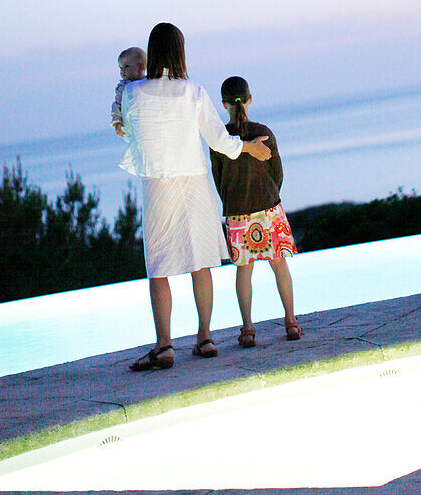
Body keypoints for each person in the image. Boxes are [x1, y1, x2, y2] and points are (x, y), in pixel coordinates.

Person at [121, 23, 271, 371]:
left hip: (158, 185)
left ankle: (165, 346)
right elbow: (218, 140)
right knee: (199, 261)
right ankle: (205, 338)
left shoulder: (133, 93)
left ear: (151, 51)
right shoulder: (194, 93)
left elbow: (129, 132)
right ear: (180, 51)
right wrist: (248, 147)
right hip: (194, 184)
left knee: (158, 267)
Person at [210, 75, 303, 347]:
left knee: (243, 271)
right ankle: (291, 322)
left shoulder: (220, 140)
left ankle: (248, 329)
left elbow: (218, 180)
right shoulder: (264, 131)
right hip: (268, 206)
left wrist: (231, 201)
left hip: (237, 211)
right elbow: (278, 173)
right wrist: (270, 195)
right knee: (279, 265)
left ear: (224, 104)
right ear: (250, 99)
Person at [110, 46, 147, 138]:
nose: (122, 71)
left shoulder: (149, 83)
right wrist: (117, 122)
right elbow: (117, 105)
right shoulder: (123, 87)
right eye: (120, 68)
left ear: (141, 67)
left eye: (126, 66)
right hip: (130, 128)